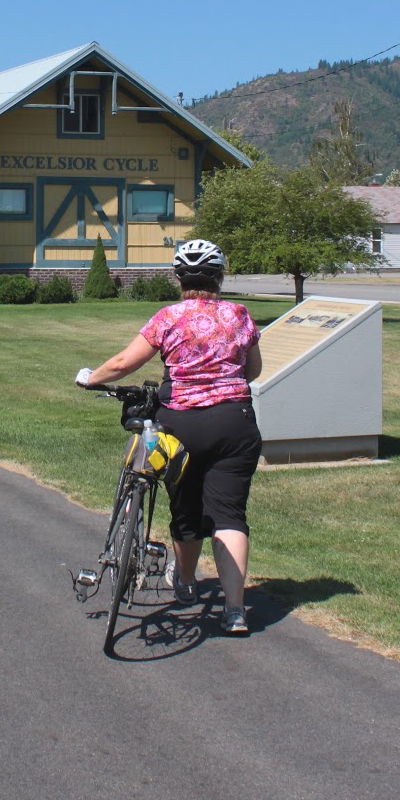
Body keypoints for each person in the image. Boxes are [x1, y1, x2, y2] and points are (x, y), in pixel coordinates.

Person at [75, 239, 263, 635]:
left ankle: (187, 583)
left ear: (179, 278)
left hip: (182, 424)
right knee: (230, 515)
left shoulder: (168, 317)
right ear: (219, 276)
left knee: (186, 508)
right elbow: (253, 370)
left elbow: (126, 362)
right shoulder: (239, 315)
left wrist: (90, 378)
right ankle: (234, 611)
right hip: (235, 422)